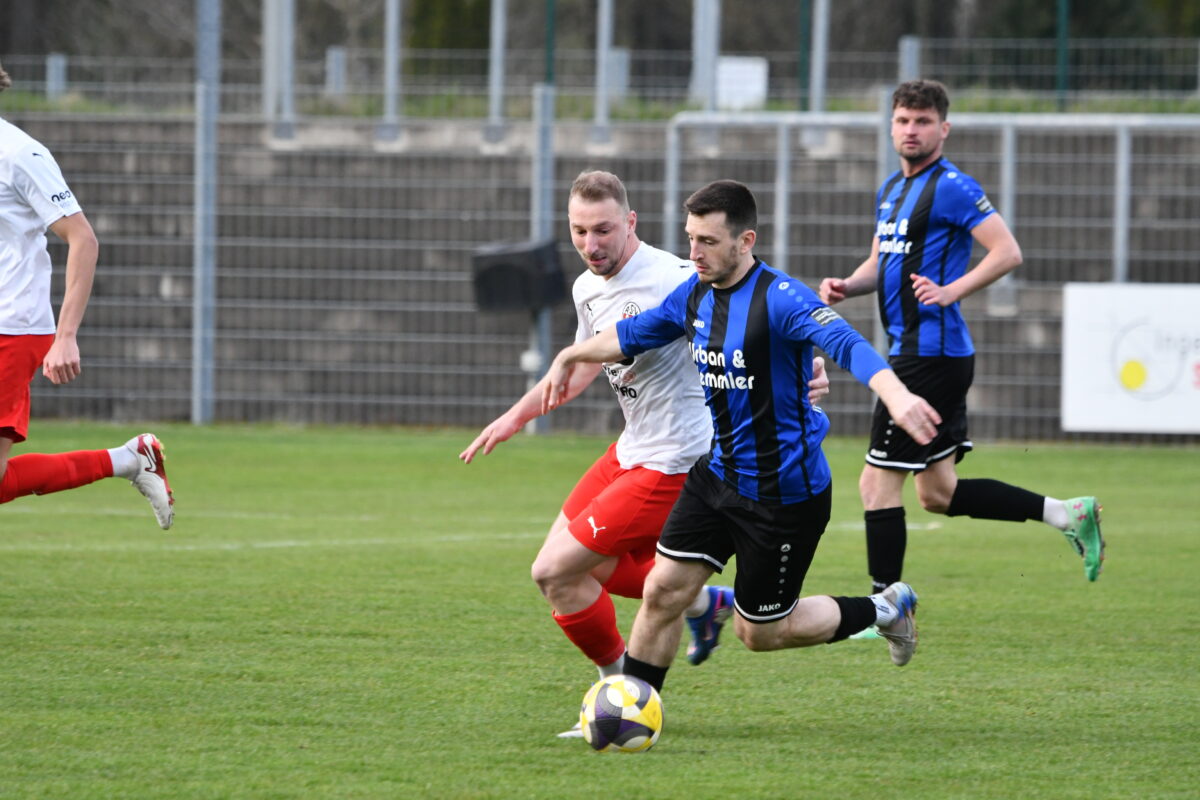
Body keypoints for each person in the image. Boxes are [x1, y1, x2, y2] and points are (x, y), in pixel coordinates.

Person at [543, 179, 943, 704]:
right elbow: (631, 336)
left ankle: (886, 608)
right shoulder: (693, 295)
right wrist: (571, 356)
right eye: (690, 239)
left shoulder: (782, 298)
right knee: (664, 591)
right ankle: (632, 713)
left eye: (708, 242)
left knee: (760, 633)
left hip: (782, 496)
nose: (694, 253)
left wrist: (895, 394)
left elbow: (846, 342)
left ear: (745, 241)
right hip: (716, 476)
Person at [461, 171, 829, 736]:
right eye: (579, 231)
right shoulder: (588, 287)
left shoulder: (678, 276)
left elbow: (757, 307)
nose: (592, 245)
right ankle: (703, 609)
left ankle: (621, 696)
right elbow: (585, 365)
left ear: (630, 223)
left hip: (679, 459)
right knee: (574, 572)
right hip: (630, 448)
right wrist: (515, 416)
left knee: (554, 570)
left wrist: (811, 369)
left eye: (604, 230)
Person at [818, 79, 1104, 599]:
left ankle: (886, 606)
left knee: (875, 484)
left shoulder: (951, 186)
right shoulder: (891, 189)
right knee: (938, 492)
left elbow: (1007, 252)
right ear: (891, 126)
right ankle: (1066, 513)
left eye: (923, 121)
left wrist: (952, 290)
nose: (912, 130)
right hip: (921, 353)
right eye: (904, 120)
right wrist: (849, 286)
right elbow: (883, 262)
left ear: (943, 129)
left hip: (929, 357)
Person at [0, 63, 173, 529]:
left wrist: (66, 335)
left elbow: (83, 239)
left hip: (11, 327)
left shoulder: (19, 155)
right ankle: (129, 459)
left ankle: (127, 460)